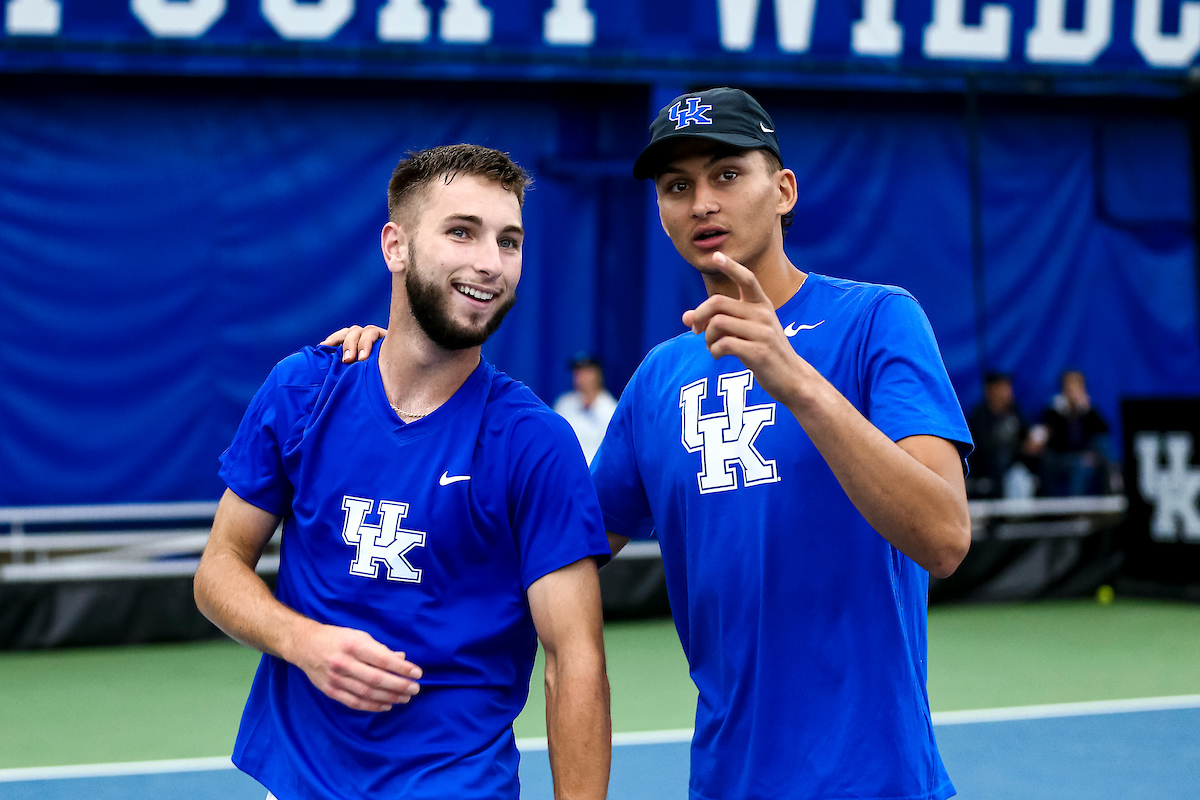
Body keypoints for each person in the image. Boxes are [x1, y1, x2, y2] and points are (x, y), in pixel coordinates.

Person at [330, 88, 972, 800]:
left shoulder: (879, 321)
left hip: (878, 784)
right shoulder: (659, 380)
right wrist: (404, 366)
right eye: (677, 186)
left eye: (727, 175)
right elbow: (545, 558)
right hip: (725, 783)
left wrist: (793, 378)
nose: (701, 202)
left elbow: (944, 536)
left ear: (783, 190)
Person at [194, 145, 611, 800]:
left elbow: (575, 661)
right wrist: (301, 641)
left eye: (509, 241)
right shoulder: (304, 390)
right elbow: (219, 565)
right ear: (396, 246)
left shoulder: (534, 443)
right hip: (297, 782)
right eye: (461, 231)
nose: (489, 263)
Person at [1028, 369, 1117, 496]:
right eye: (1069, 386)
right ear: (1063, 389)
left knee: (1102, 445)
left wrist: (1088, 411)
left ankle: (1115, 484)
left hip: (1085, 456)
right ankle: (1075, 508)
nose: (1073, 392)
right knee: (1080, 463)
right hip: (1061, 458)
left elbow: (1103, 431)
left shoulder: (1088, 411)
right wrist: (1064, 413)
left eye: (1077, 387)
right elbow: (1055, 442)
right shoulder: (1053, 410)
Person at [966, 372, 1035, 498]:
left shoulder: (1014, 411)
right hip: (987, 466)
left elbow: (1025, 435)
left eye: (1008, 387)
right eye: (1002, 387)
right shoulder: (980, 415)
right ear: (990, 390)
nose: (1007, 392)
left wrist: (1029, 444)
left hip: (1014, 463)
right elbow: (984, 448)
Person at [553, 351, 618, 465]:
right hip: (567, 474)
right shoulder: (564, 404)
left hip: (596, 477)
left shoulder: (611, 410)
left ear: (597, 374)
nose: (579, 377)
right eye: (576, 372)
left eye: (585, 372)